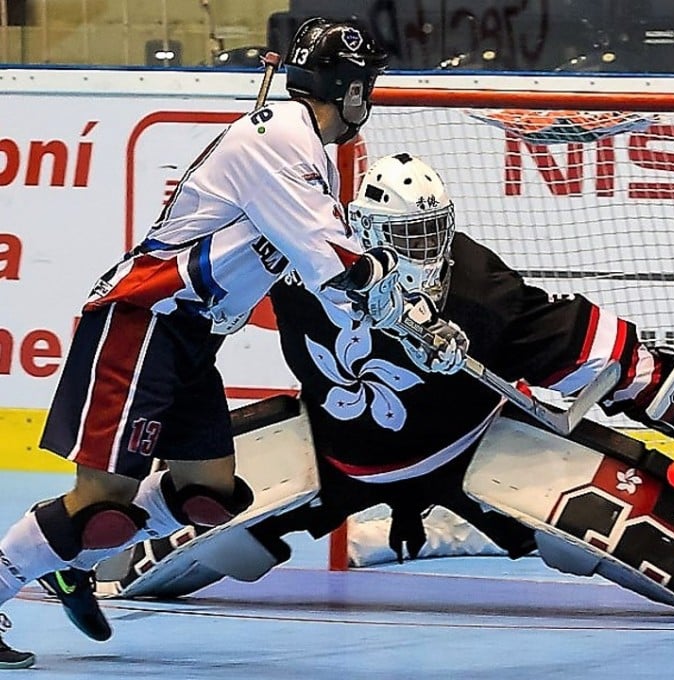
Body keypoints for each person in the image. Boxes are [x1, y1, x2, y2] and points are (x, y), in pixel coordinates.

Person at [41, 151, 674, 640]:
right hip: (333, 453)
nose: (420, 254)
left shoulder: (475, 287)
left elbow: (576, 345)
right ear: (357, 230)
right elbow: (192, 299)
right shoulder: (306, 263)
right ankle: (60, 556)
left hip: (475, 449)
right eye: (401, 238)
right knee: (180, 521)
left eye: (429, 233)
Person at [0, 19, 465, 670]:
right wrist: (410, 315)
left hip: (187, 334)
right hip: (145, 318)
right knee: (100, 501)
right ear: (352, 89)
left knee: (208, 494)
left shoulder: (299, 149)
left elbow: (328, 277)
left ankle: (66, 555)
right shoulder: (278, 139)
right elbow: (334, 258)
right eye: (367, 85)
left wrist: (410, 324)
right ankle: (34, 562)